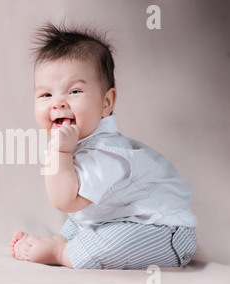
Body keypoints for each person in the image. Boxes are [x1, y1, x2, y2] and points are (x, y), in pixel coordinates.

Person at [10, 23, 198, 269]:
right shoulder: (78, 142)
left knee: (109, 244)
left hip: (163, 231)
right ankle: (62, 239)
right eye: (46, 95)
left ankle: (60, 252)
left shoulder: (107, 152)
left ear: (106, 102)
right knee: (80, 220)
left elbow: (65, 201)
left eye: (74, 91)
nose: (57, 103)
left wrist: (60, 152)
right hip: (113, 217)